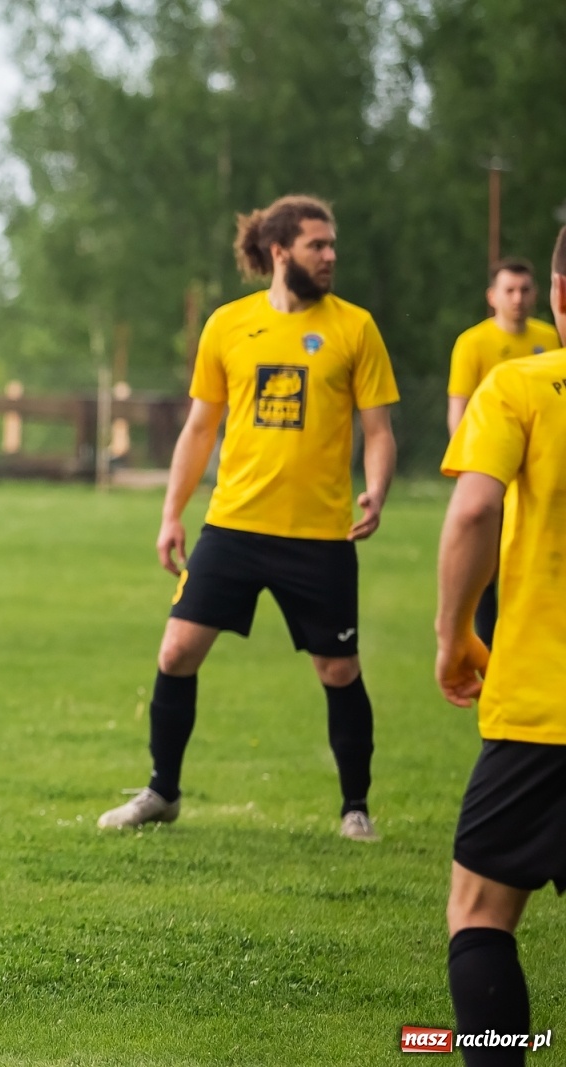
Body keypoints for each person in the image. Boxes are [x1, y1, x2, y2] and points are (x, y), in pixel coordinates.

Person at [97, 195, 399, 842]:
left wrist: (376, 488)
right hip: (232, 526)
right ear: (279, 250)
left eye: (333, 244)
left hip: (319, 536)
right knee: (176, 650)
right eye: (318, 244)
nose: (331, 255)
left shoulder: (355, 328)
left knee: (338, 670)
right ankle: (162, 791)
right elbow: (200, 427)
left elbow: (377, 430)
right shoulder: (227, 326)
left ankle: (356, 808)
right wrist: (171, 512)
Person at [434, 226, 566, 1067]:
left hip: (540, 705)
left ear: (558, 294)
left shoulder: (520, 386)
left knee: (480, 911)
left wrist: (454, 636)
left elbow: (475, 510)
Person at [444, 257, 559, 648]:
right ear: (492, 297)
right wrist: (475, 469)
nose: (518, 298)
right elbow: (458, 411)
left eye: (525, 290)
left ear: (541, 294)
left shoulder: (549, 337)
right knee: (487, 570)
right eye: (509, 290)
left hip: (542, 477)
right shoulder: (473, 343)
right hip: (495, 472)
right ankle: (488, 647)